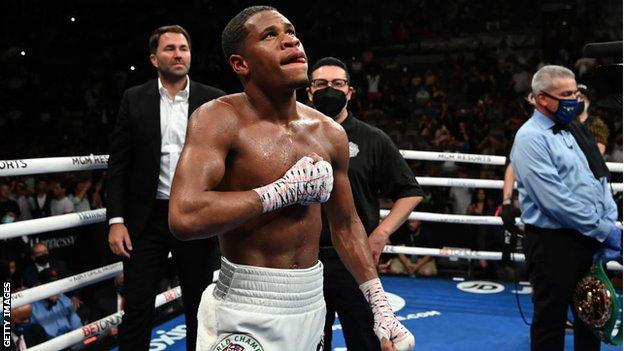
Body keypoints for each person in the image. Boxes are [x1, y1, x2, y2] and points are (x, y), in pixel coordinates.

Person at [169, 6, 414, 351]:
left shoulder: (329, 133)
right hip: (245, 304)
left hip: (311, 302)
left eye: (291, 32)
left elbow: (345, 224)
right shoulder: (219, 120)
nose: (290, 41)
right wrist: (276, 193)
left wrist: (379, 304)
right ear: (241, 64)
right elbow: (185, 216)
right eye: (270, 35)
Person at [105, 25, 224, 351]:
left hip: (196, 214)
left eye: (183, 48)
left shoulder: (212, 98)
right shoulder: (135, 98)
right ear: (154, 58)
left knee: (201, 308)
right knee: (138, 308)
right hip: (146, 219)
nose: (178, 54)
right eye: (170, 49)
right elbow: (119, 164)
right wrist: (116, 220)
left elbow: (227, 158)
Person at [306, 56, 422, 351]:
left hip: (354, 259)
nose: (328, 89)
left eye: (337, 84)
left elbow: (409, 190)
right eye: (320, 84)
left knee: (366, 342)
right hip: (303, 260)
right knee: (307, 344)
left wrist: (381, 233)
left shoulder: (372, 139)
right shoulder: (293, 136)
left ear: (350, 91)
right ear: (309, 91)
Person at [510, 65, 621, 351]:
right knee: (551, 322)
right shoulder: (530, 137)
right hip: (553, 244)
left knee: (592, 317)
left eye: (576, 92)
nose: (575, 99)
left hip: (586, 238)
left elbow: (597, 178)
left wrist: (609, 220)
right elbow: (555, 201)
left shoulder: (574, 129)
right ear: (542, 98)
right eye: (567, 94)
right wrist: (602, 229)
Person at [30, 268, 83, 339]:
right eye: (51, 286)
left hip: (72, 341)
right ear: (39, 285)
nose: (55, 290)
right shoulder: (31, 307)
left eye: (58, 285)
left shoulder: (62, 297)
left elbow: (76, 324)